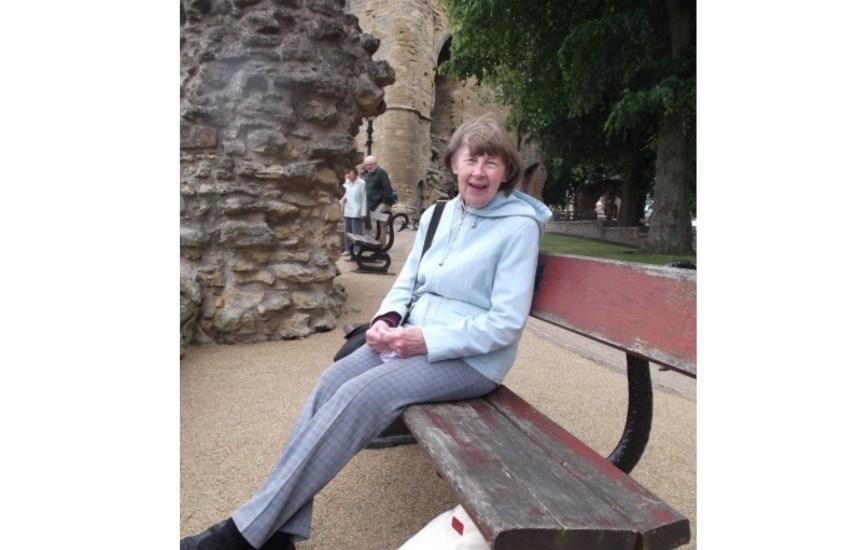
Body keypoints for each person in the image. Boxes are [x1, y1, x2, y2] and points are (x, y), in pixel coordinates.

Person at [180, 115, 552, 550]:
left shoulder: (518, 227)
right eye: (471, 160)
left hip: (470, 359)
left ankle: (241, 537)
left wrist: (424, 341)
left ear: (506, 172)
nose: (479, 172)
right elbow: (406, 283)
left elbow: (506, 323)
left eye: (492, 163)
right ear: (454, 164)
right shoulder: (436, 216)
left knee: (361, 395)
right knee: (330, 383)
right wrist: (385, 321)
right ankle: (277, 532)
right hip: (409, 337)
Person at [339, 167, 366, 256]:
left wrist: (363, 212)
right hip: (348, 210)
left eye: (350, 174)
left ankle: (357, 251)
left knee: (356, 232)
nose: (348, 176)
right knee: (347, 232)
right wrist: (342, 200)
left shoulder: (362, 183)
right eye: (347, 174)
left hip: (357, 211)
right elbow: (346, 194)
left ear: (356, 174)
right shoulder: (347, 182)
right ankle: (348, 250)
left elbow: (364, 198)